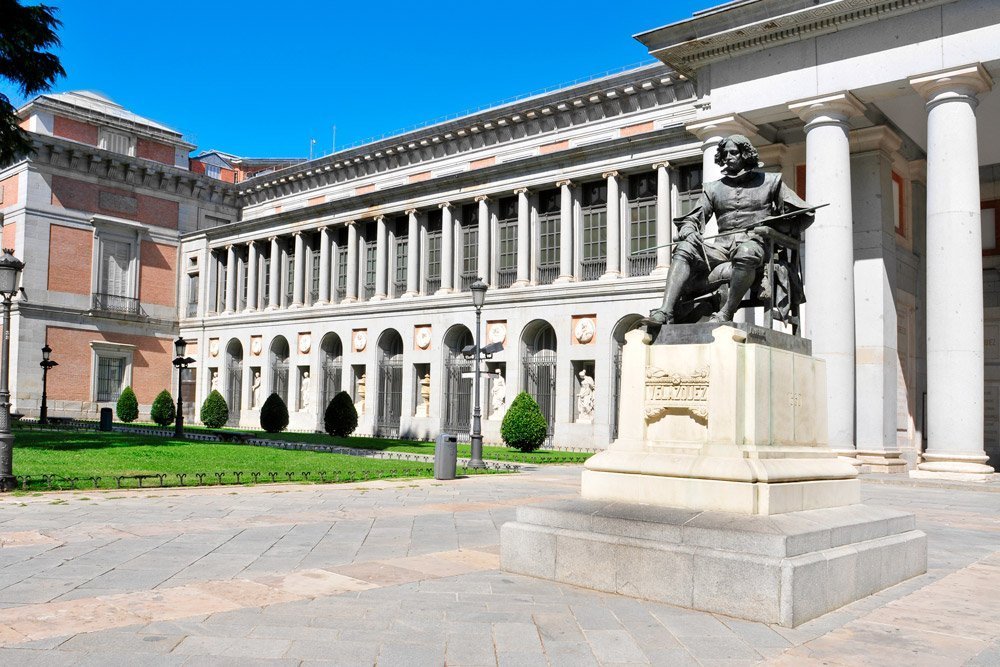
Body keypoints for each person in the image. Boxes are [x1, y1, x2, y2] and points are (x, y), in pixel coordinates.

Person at [646, 134, 814, 326]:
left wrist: (776, 227)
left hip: (757, 245)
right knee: (685, 247)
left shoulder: (771, 182)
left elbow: (806, 216)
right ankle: (665, 312)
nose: (728, 157)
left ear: (745, 154)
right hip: (721, 249)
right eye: (724, 153)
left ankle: (726, 312)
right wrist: (689, 229)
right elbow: (692, 217)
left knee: (746, 252)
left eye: (733, 152)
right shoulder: (714, 188)